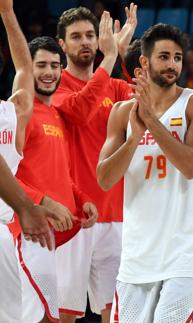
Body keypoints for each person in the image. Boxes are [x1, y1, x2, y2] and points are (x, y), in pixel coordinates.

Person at [98, 23, 193, 323]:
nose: (172, 64)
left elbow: (192, 166)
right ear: (144, 62)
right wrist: (134, 137)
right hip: (138, 252)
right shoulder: (122, 112)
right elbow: (104, 178)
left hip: (186, 249)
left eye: (177, 57)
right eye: (164, 57)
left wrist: (152, 122)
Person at [51, 5, 136, 322]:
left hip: (117, 214)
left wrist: (122, 58)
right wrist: (110, 58)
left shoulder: (114, 87)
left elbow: (152, 104)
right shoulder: (54, 86)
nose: (85, 42)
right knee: (63, 313)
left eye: (90, 35)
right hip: (73, 216)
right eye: (76, 37)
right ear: (62, 45)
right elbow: (80, 110)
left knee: (119, 313)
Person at [15, 35, 100, 323]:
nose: (49, 72)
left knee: (53, 317)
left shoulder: (55, 116)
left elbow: (61, 175)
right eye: (41, 65)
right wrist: (44, 202)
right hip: (24, 234)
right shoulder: (18, 113)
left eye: (54, 65)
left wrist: (82, 199)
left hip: (53, 238)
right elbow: (6, 175)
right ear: (27, 68)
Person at [0, 1, 58, 320]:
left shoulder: (13, 112)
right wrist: (8, 13)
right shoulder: (14, 113)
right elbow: (24, 69)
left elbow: (24, 69)